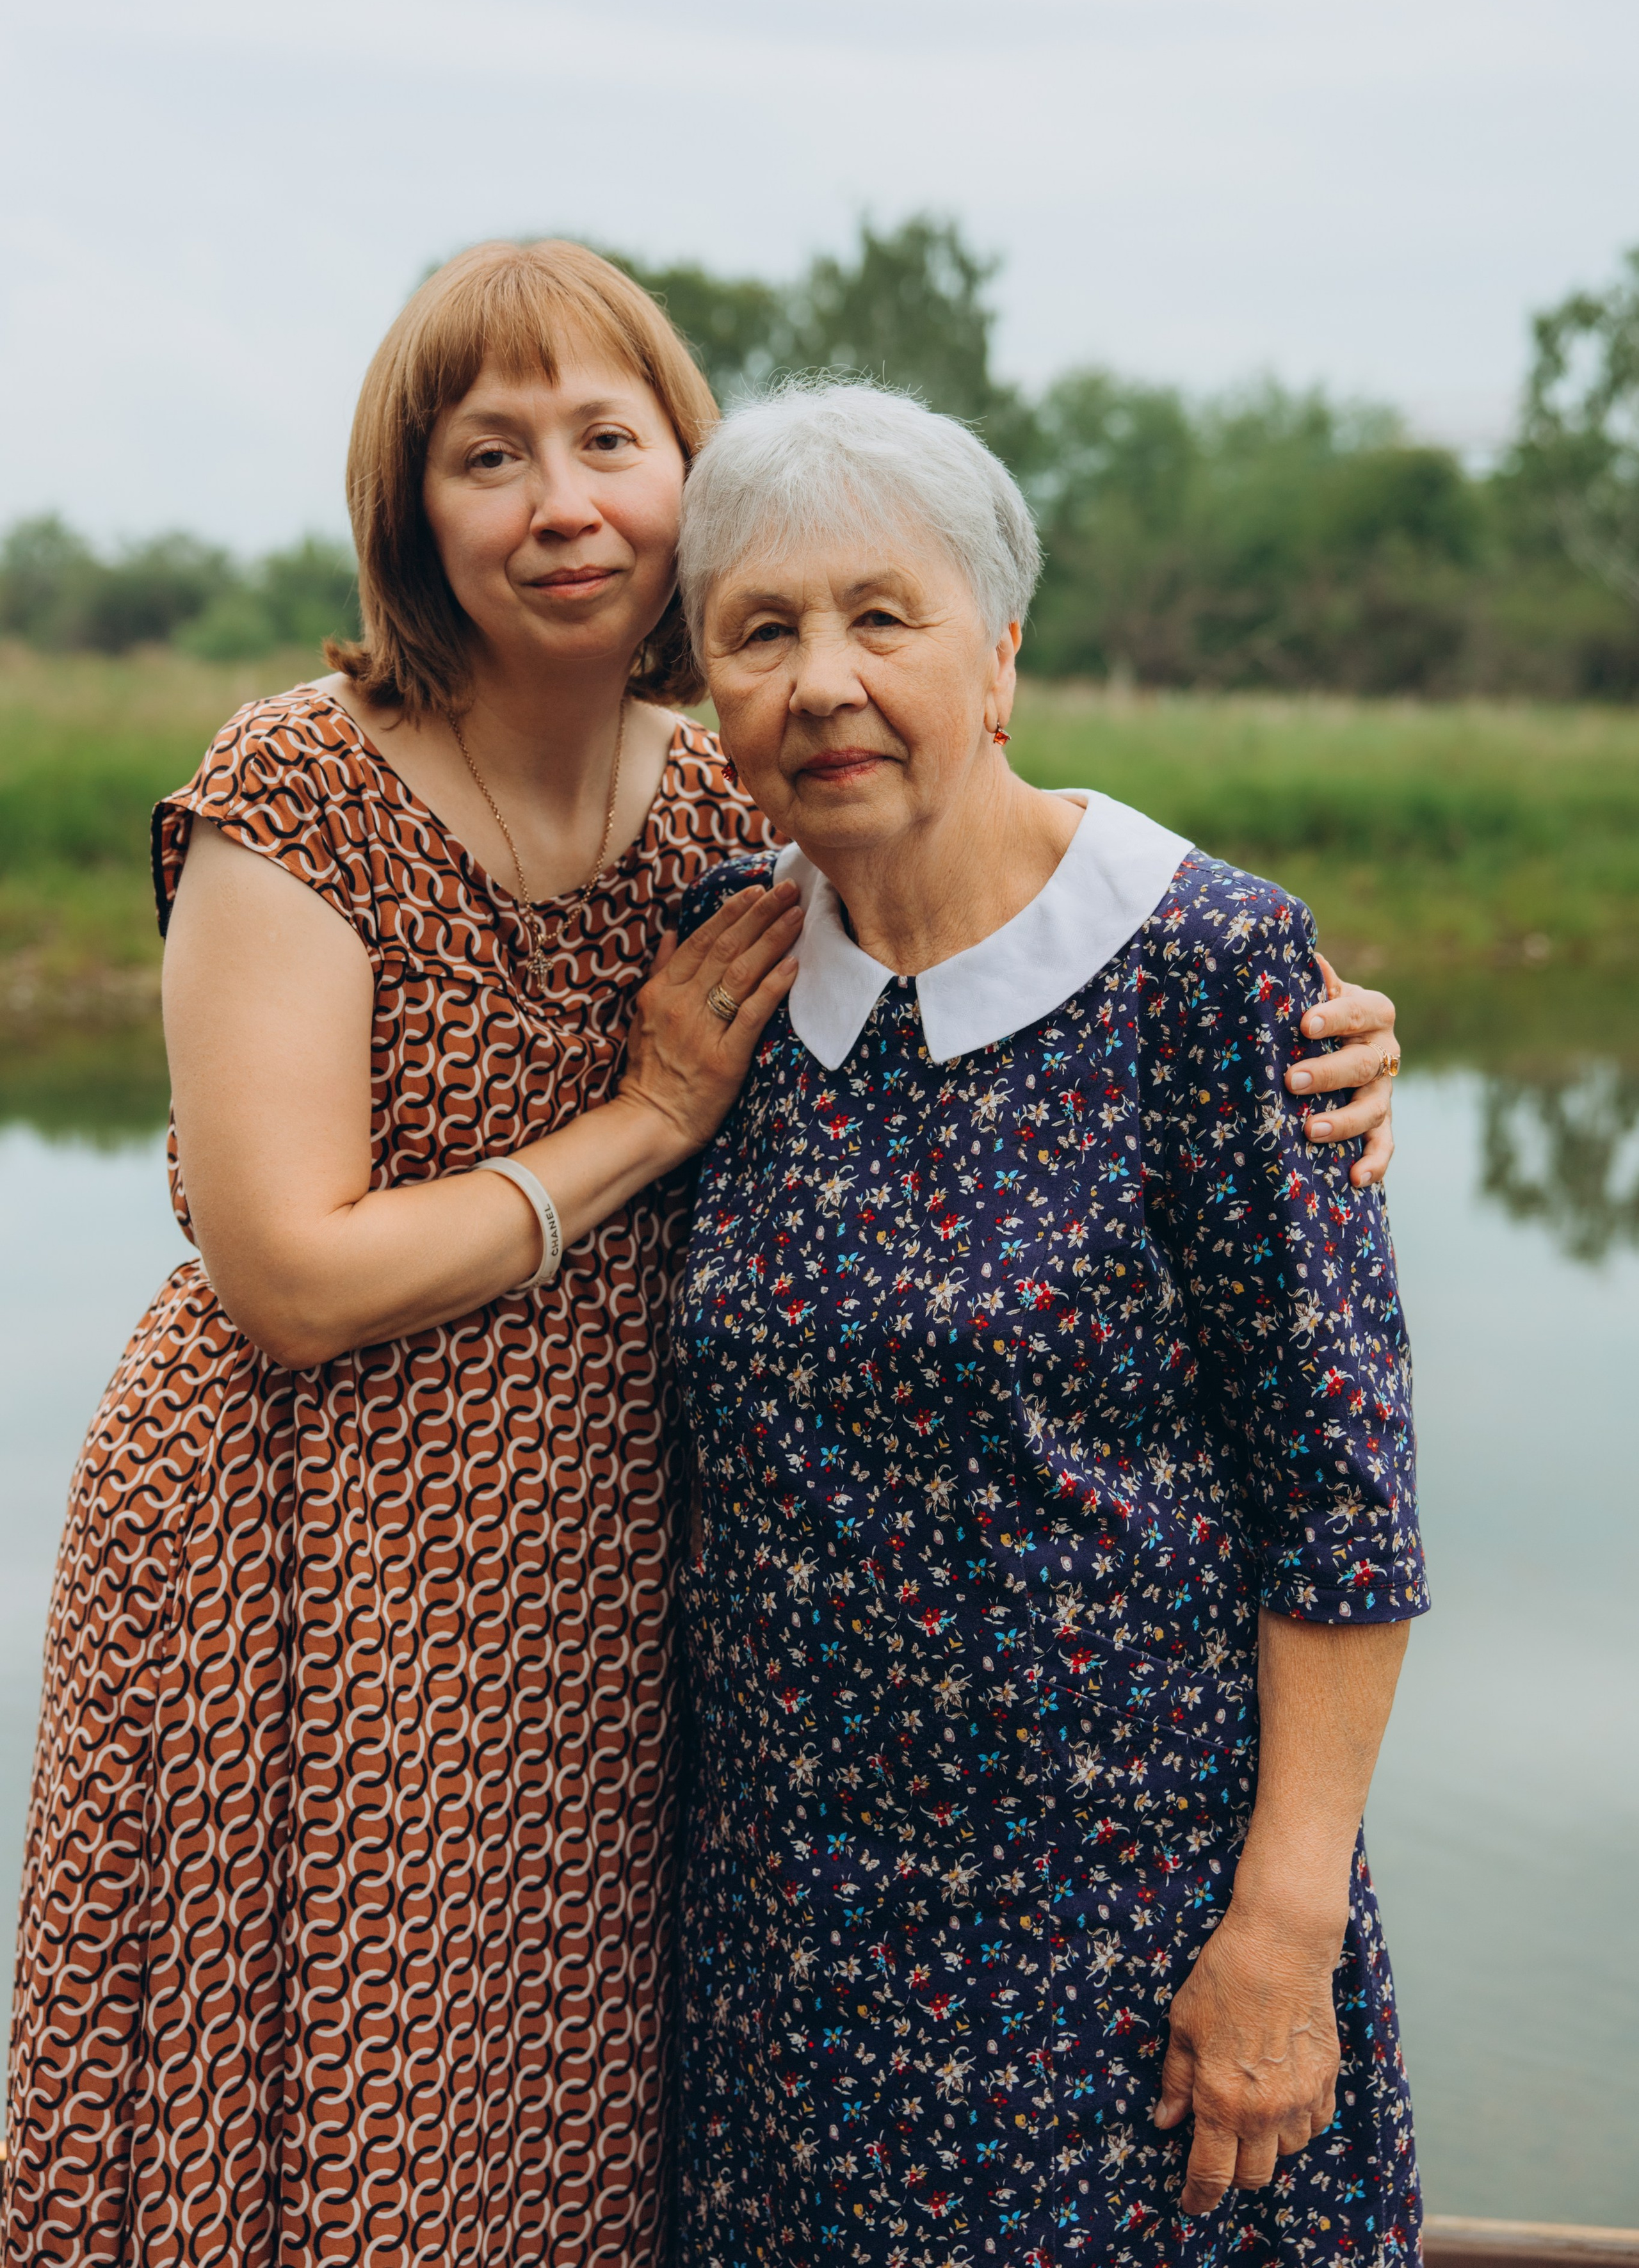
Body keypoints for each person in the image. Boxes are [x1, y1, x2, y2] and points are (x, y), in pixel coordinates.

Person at [3, 246, 1401, 2268]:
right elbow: (281, 1272)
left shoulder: (733, 809)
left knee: (567, 2145)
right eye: (491, 455)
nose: (561, 501)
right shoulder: (305, 786)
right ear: (413, 510)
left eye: (609, 440)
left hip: (607, 1586)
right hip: (317, 1551)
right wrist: (645, 1124)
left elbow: (1055, 940)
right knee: (343, 2136)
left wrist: (1323, 1040)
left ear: (689, 478)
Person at [671, 383, 1426, 2267]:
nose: (822, 679)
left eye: (881, 616)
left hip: (1130, 1945)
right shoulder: (727, 963)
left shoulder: (1212, 969)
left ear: (999, 657)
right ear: (710, 697)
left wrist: (1285, 1933)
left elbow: (1344, 1504)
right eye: (762, 633)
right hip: (790, 1955)